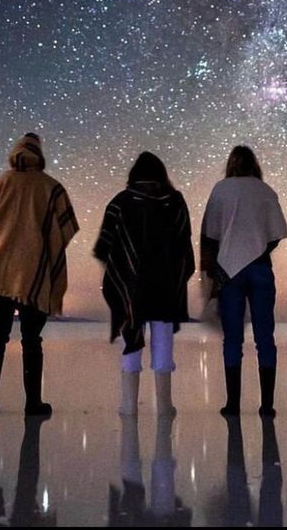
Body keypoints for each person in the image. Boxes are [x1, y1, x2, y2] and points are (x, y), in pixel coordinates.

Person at [0, 132, 79, 417]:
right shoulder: (52, 188)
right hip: (33, 274)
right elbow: (64, 231)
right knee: (31, 339)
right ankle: (32, 403)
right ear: (39, 154)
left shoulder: (0, 184)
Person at [93, 151, 195, 417]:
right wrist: (177, 276)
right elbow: (184, 247)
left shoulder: (120, 202)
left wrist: (122, 275)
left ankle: (128, 406)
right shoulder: (175, 201)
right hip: (164, 287)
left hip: (131, 288)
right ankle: (164, 407)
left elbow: (104, 247)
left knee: (131, 340)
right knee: (163, 344)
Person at [200, 145, 287, 418]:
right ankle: (267, 406)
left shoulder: (221, 189)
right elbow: (275, 235)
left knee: (232, 340)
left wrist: (212, 272)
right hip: (260, 267)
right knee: (265, 337)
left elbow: (210, 234)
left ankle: (233, 404)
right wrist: (257, 248)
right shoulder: (266, 191)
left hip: (229, 270)